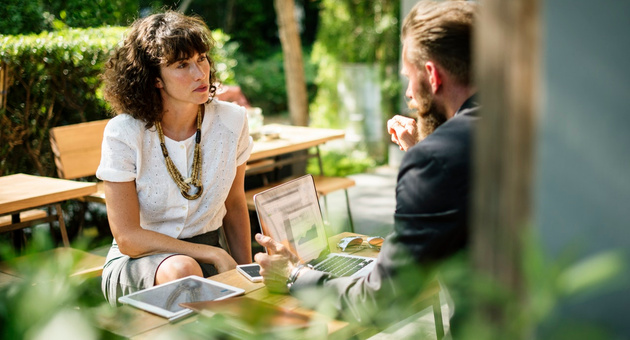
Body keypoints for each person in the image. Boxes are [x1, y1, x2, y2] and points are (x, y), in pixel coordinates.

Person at [254, 0, 478, 325]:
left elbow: (379, 300)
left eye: (408, 77)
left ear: (432, 74)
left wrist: (294, 276)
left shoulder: (435, 160)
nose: (409, 94)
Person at [97, 11, 253, 305]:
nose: (200, 73)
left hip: (211, 255)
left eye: (202, 58)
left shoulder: (233, 121)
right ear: (155, 79)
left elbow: (234, 204)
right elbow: (128, 237)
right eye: (182, 65)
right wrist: (214, 253)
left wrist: (246, 273)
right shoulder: (124, 132)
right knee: (184, 269)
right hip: (142, 262)